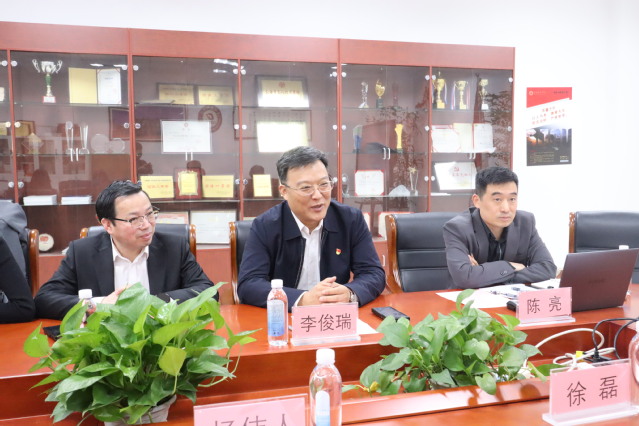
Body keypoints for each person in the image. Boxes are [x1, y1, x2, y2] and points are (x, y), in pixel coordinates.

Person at [35, 180, 213, 320]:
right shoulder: (83, 253)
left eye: (150, 213)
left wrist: (154, 302)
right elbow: (45, 299)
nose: (146, 225)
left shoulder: (174, 247)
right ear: (107, 225)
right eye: (134, 219)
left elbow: (207, 291)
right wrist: (100, 304)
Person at [237, 146, 385, 309]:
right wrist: (301, 299)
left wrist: (350, 293)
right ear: (284, 191)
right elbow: (249, 284)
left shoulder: (350, 220)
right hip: (286, 316)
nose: (317, 195)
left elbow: (373, 273)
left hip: (334, 314)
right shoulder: (265, 226)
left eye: (324, 184)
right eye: (306, 188)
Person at [443, 166, 556, 289]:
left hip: (509, 298)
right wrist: (510, 266)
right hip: (468, 299)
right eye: (497, 199)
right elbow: (465, 278)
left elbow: (547, 269)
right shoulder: (457, 228)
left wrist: (486, 275)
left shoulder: (525, 223)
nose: (506, 209)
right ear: (477, 201)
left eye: (512, 199)